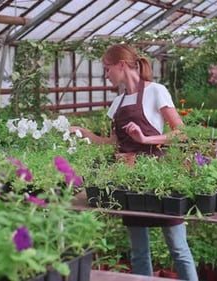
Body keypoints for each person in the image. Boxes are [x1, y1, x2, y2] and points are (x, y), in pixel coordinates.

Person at [69, 43, 198, 281]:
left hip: (159, 180)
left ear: (121, 65)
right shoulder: (117, 104)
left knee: (178, 249)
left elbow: (181, 132)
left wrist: (146, 138)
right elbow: (112, 142)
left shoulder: (156, 91)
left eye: (107, 68)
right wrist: (83, 132)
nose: (105, 74)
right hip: (128, 181)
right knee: (139, 252)